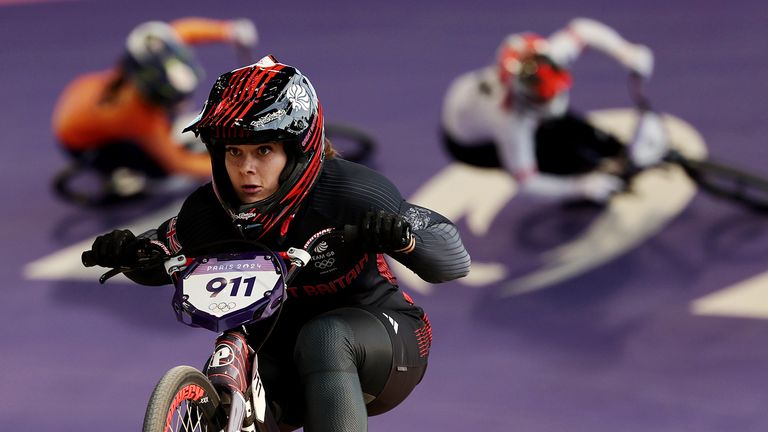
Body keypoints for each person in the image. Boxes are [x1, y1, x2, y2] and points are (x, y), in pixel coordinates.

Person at [85, 55, 471, 431]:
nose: (245, 169)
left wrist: (403, 240)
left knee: (324, 337)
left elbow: (453, 261)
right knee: (225, 378)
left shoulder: (351, 192)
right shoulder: (207, 210)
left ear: (298, 151)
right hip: (280, 353)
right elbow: (160, 255)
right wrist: (129, 253)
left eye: (263, 151)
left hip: (385, 342)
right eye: (233, 152)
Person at [441, 17, 654, 203]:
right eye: (543, 100)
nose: (553, 103)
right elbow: (527, 181)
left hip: (470, 105)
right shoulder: (509, 123)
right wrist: (580, 188)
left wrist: (626, 52)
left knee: (569, 127)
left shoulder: (544, 60)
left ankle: (609, 151)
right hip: (469, 145)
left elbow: (584, 30)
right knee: (556, 161)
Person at [51, 17, 258, 203]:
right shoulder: (136, 117)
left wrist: (227, 30)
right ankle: (125, 176)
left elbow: (183, 32)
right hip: (82, 142)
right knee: (160, 172)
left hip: (81, 98)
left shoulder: (154, 55)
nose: (182, 105)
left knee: (167, 129)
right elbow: (176, 164)